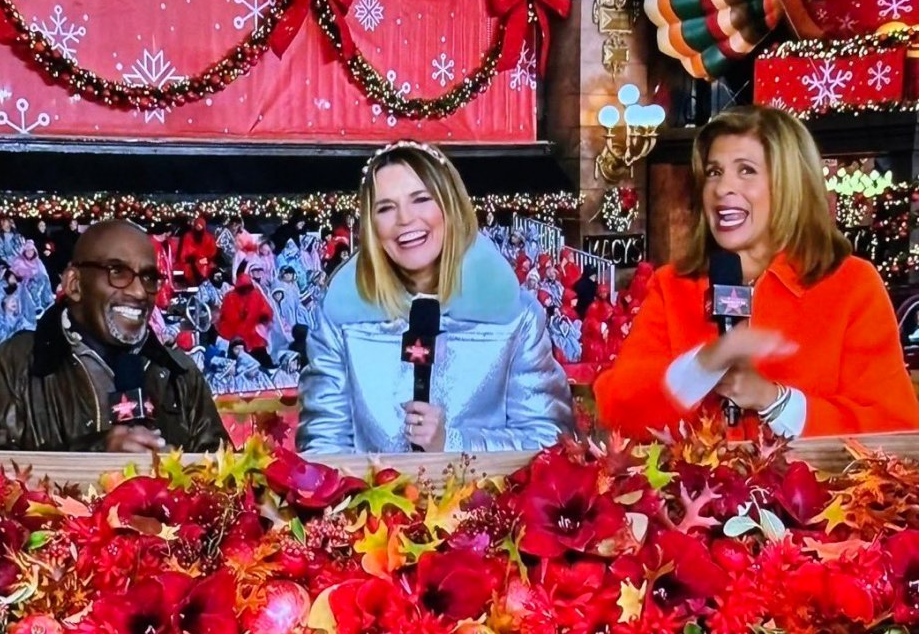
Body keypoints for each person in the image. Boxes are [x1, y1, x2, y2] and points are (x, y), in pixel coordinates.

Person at [594, 105, 919, 441]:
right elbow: (616, 413)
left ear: (790, 186)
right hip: (694, 493)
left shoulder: (852, 284)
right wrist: (703, 365)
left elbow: (895, 427)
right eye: (714, 172)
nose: (722, 189)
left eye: (746, 171)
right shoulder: (672, 285)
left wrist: (774, 401)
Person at [297, 140, 573, 453]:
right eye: (386, 208)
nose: (405, 219)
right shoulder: (340, 317)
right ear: (371, 226)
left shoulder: (517, 317)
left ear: (450, 206)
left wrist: (452, 444)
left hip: (484, 501)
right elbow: (320, 449)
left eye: (421, 199)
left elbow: (551, 443)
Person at [0, 220, 227, 452]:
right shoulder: (17, 364)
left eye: (148, 277)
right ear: (74, 284)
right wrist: (95, 453)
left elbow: (228, 480)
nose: (138, 292)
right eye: (117, 272)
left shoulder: (179, 372)